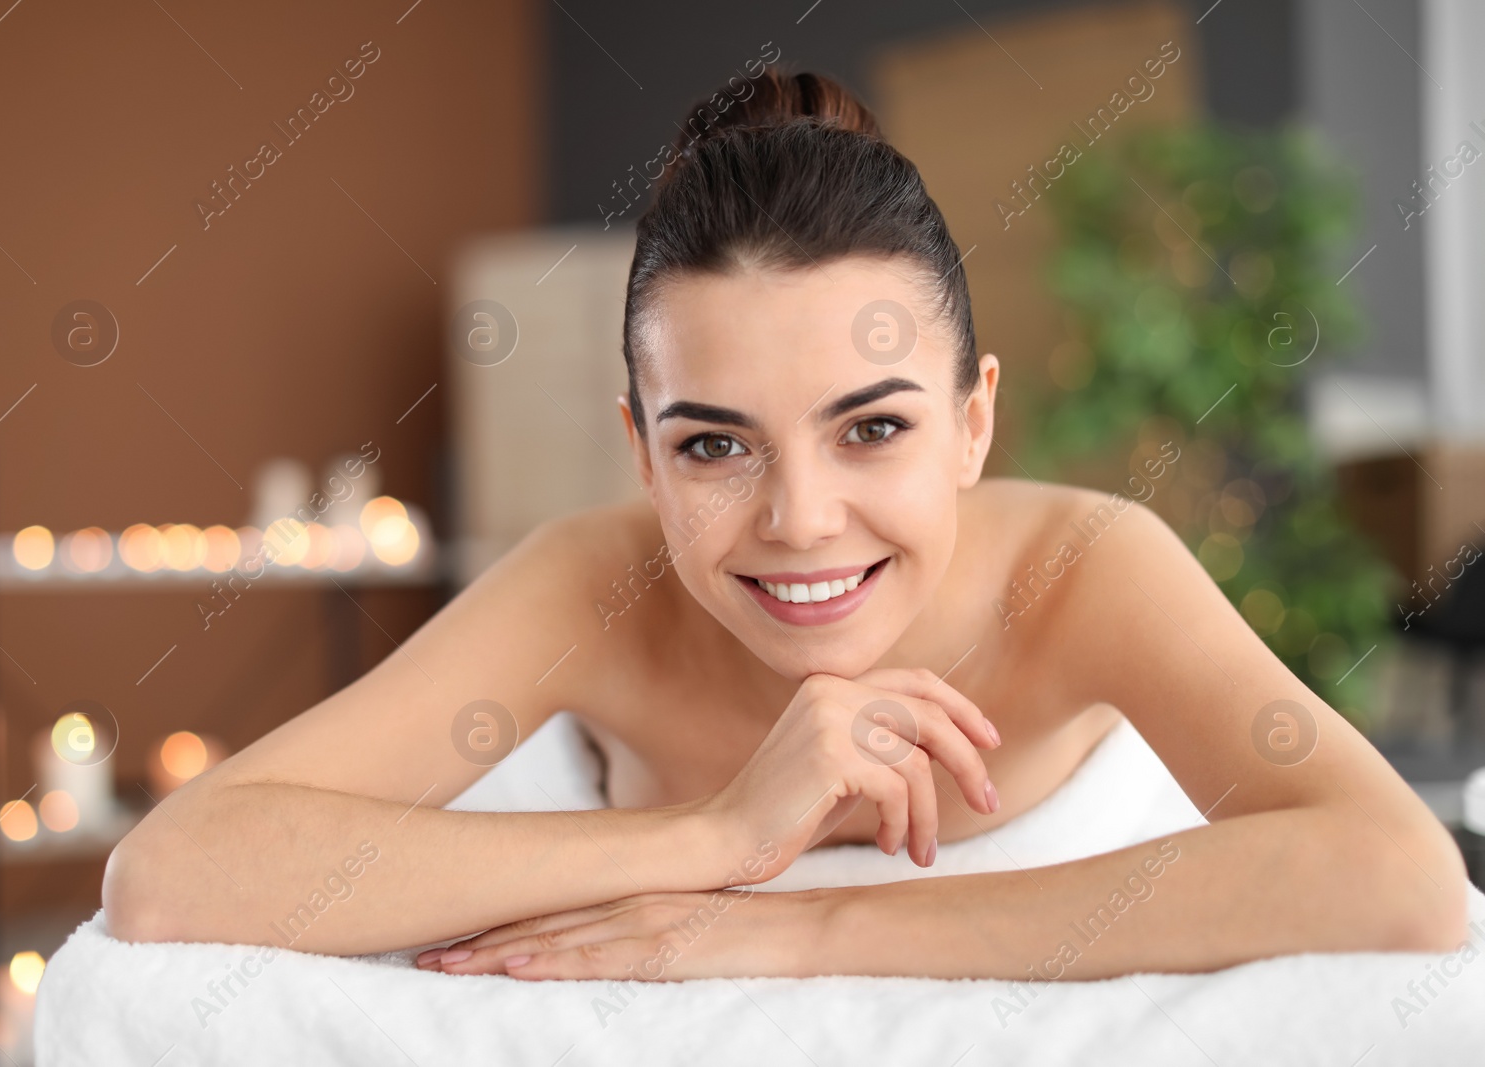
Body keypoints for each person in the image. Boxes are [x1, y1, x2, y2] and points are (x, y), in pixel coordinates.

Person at [102, 69, 1470, 981]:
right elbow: (172, 877)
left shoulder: (1084, 569)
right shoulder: (588, 584)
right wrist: (713, 838)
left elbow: (1403, 880)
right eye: (714, 445)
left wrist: (811, 924)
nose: (801, 522)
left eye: (872, 426)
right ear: (639, 448)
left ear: (976, 420)